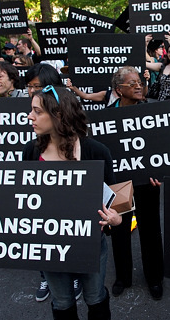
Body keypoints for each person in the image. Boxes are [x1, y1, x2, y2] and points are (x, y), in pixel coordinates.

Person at [24, 86, 121, 319]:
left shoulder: (96, 151)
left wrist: (115, 218)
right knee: (62, 302)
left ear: (58, 114)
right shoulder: (30, 151)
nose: (30, 117)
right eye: (31, 111)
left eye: (37, 111)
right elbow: (21, 198)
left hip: (89, 242)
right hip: (47, 244)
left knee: (95, 297)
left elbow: (115, 199)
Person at [106, 67, 164, 300]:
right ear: (119, 90)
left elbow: (162, 147)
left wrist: (160, 173)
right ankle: (123, 277)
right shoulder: (106, 115)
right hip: (120, 184)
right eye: (132, 84)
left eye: (139, 82)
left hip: (146, 181)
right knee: (119, 228)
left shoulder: (151, 111)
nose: (139, 86)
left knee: (150, 229)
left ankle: (155, 278)